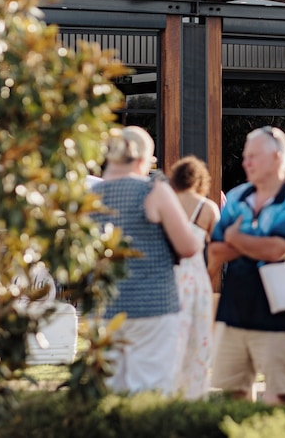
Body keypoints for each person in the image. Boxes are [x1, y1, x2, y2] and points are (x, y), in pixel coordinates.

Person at [207, 126, 285, 405]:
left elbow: (276, 250)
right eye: (245, 157)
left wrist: (236, 239)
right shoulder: (237, 196)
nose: (245, 163)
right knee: (234, 393)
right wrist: (254, 242)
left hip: (280, 311)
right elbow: (216, 249)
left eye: (253, 156)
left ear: (277, 157)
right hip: (235, 310)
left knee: (284, 395)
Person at [91, 126, 202, 395]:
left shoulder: (90, 197)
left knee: (109, 390)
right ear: (143, 160)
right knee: (152, 389)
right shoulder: (153, 191)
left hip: (105, 307)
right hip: (153, 305)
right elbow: (188, 247)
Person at [167, 155, 221, 400]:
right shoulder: (207, 208)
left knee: (171, 339)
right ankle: (195, 394)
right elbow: (218, 249)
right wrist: (208, 274)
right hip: (196, 278)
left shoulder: (167, 204)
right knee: (199, 339)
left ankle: (168, 392)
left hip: (168, 278)